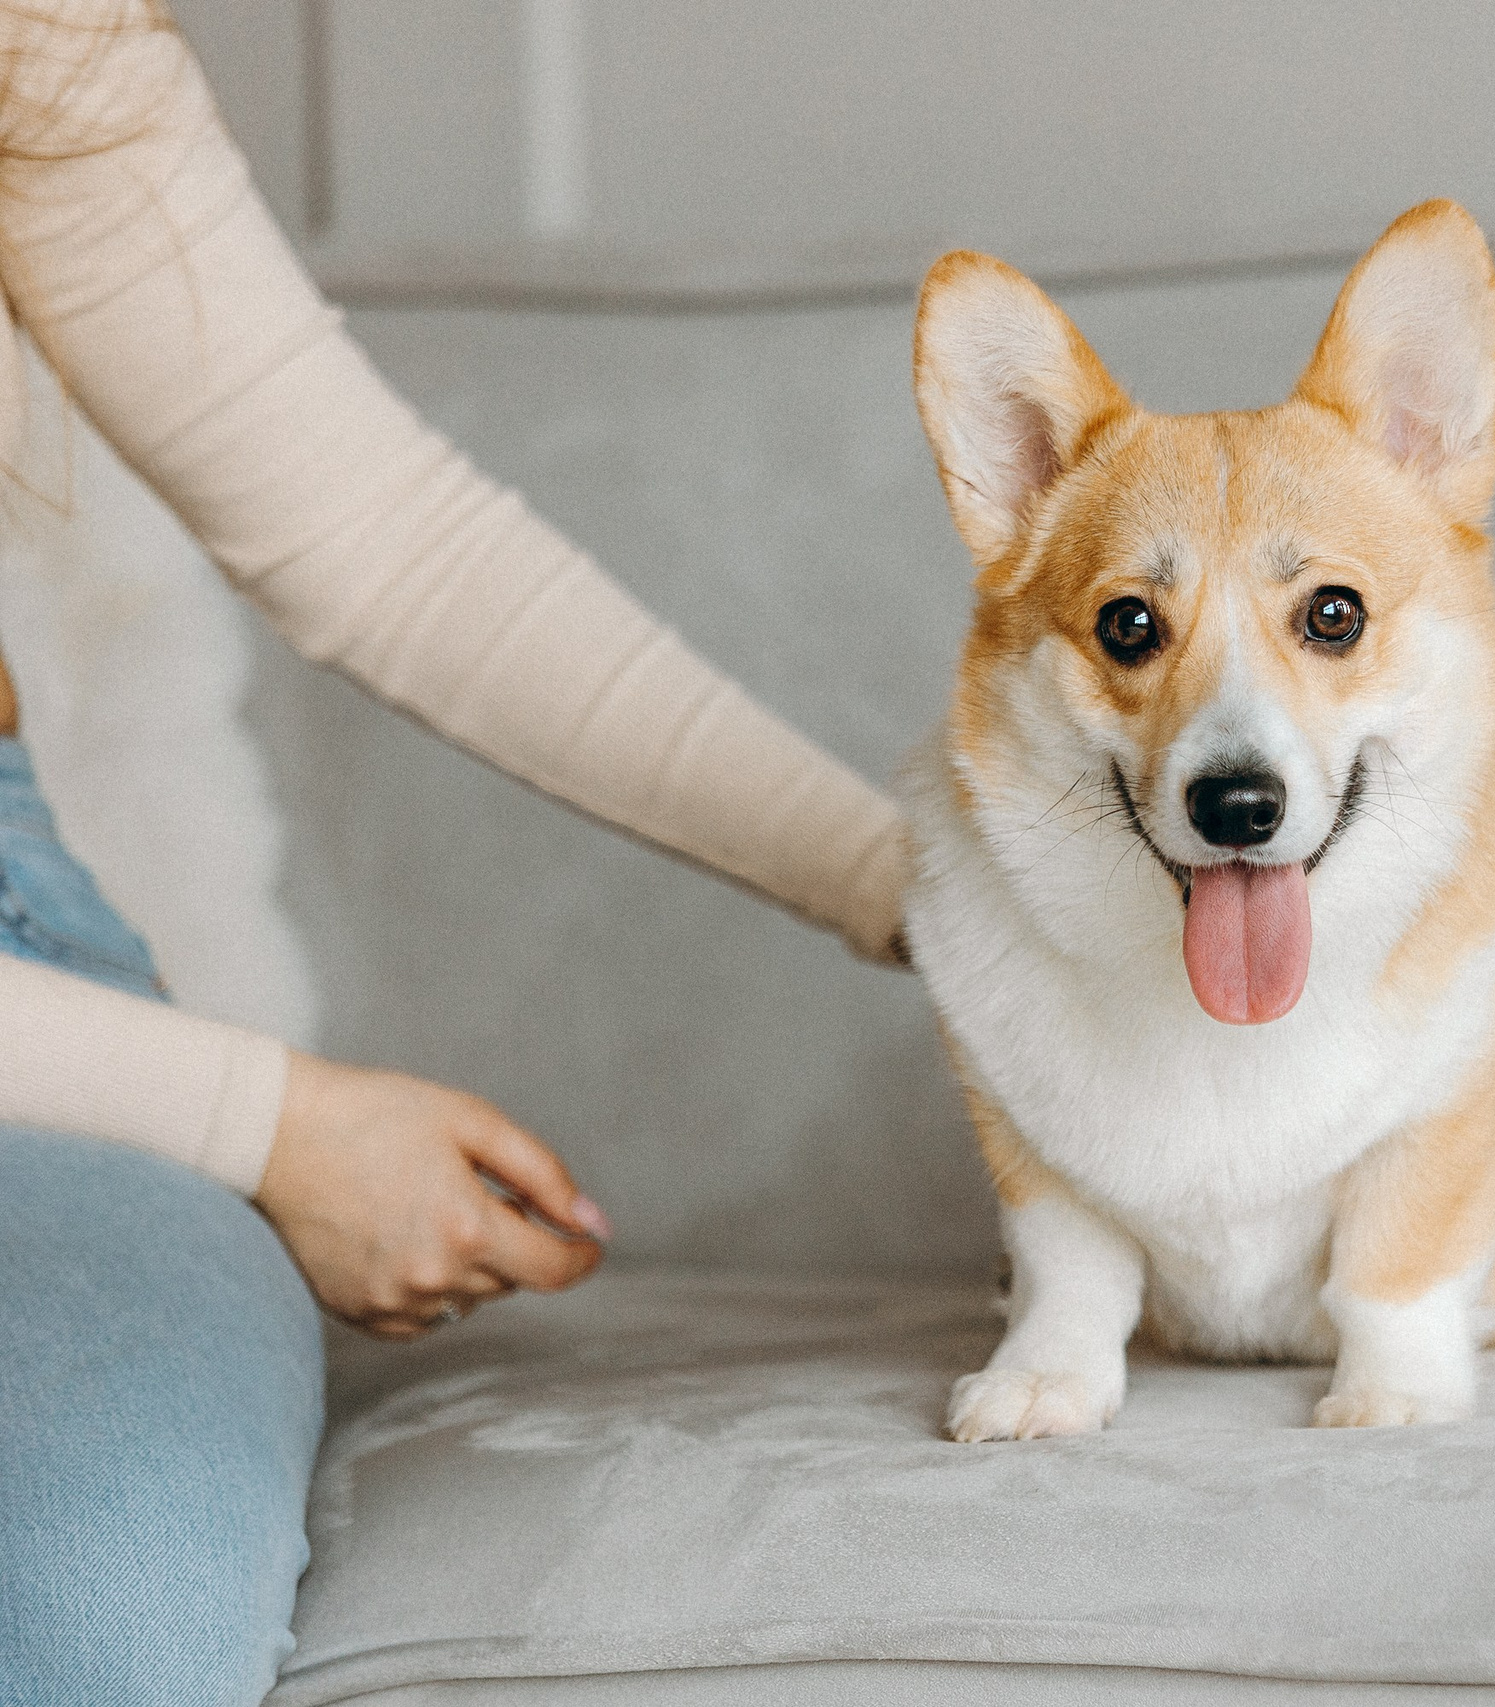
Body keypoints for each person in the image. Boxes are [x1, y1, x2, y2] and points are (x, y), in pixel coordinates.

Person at [0, 4, 909, 1701]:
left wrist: (911, 885)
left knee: (96, 1607)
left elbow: (390, 546)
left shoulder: (34, 50)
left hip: (25, 986)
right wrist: (268, 1124)